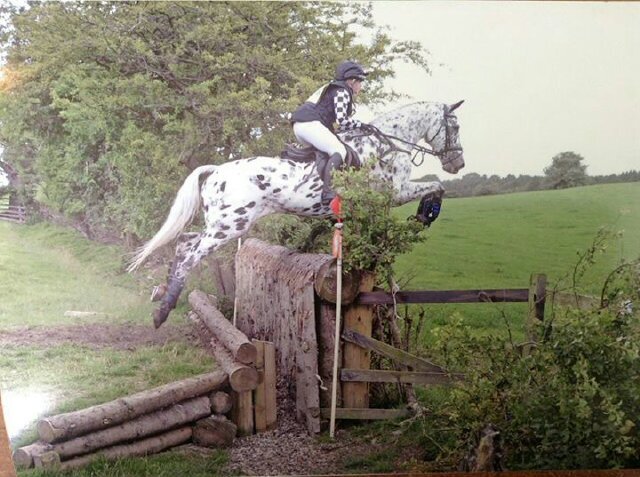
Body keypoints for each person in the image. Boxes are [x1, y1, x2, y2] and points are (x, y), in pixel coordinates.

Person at [291, 60, 371, 205]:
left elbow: (338, 124)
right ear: (352, 81)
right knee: (339, 150)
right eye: (360, 82)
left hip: (302, 125)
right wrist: (361, 125)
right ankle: (327, 192)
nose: (361, 86)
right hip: (310, 124)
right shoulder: (342, 91)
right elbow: (342, 120)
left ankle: (314, 186)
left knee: (328, 150)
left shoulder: (333, 88)